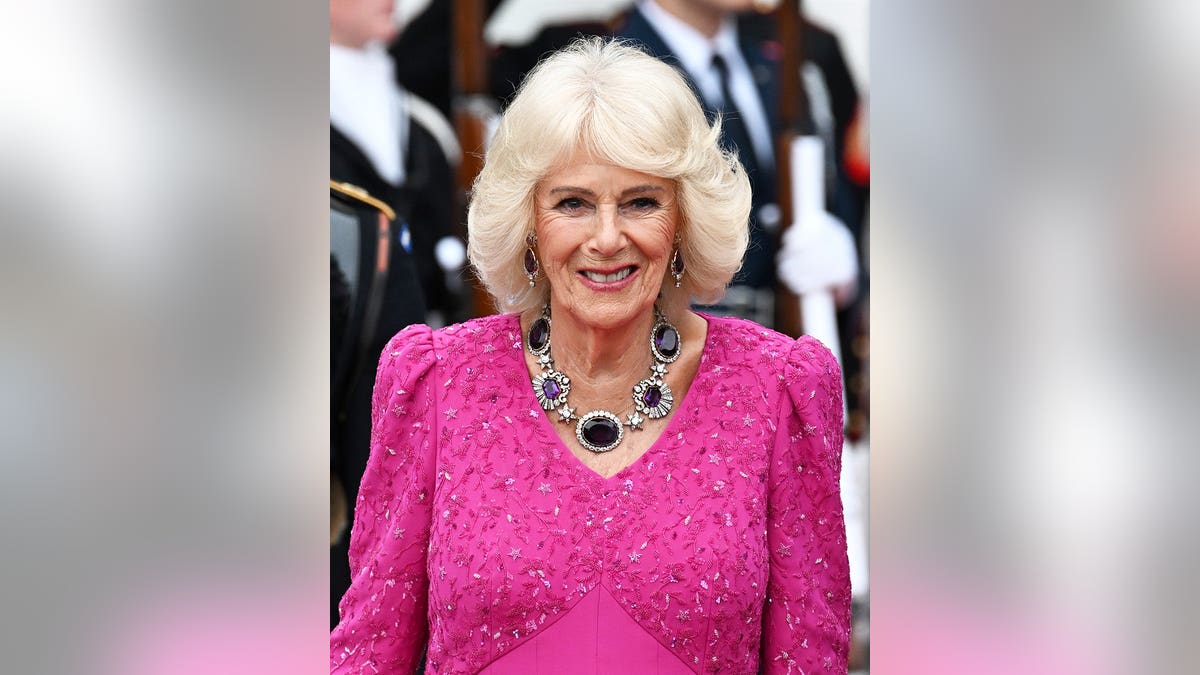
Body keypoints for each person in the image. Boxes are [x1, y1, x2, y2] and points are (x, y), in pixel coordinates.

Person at [330, 38, 850, 674]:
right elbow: (368, 650)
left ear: (684, 220)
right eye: (572, 203)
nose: (607, 238)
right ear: (528, 221)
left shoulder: (778, 389)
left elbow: (811, 657)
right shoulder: (436, 381)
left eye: (641, 202)